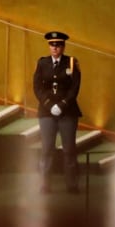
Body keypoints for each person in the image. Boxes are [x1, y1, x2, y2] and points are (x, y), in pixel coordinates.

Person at [32, 31, 82, 193]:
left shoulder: (72, 63)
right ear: (49, 46)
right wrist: (48, 105)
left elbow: (74, 88)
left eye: (58, 45)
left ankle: (72, 184)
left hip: (67, 112)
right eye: (52, 45)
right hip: (47, 112)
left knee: (69, 149)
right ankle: (45, 184)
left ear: (63, 46)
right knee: (47, 149)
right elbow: (37, 87)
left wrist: (61, 105)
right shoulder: (42, 63)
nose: (55, 48)